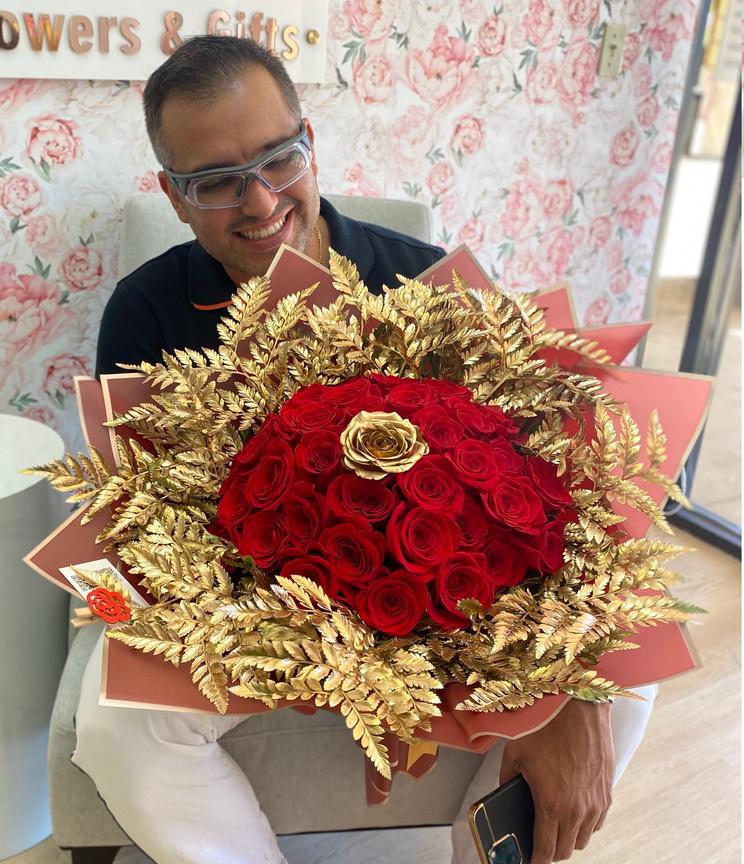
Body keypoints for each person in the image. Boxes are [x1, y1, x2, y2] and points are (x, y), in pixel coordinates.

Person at [79, 35, 657, 864]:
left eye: (278, 159)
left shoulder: (427, 280)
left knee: (630, 675)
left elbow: (546, 478)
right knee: (113, 723)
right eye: (215, 181)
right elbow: (134, 517)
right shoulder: (144, 313)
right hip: (249, 612)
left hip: (446, 599)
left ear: (310, 143)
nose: (259, 200)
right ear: (173, 196)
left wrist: (570, 687)